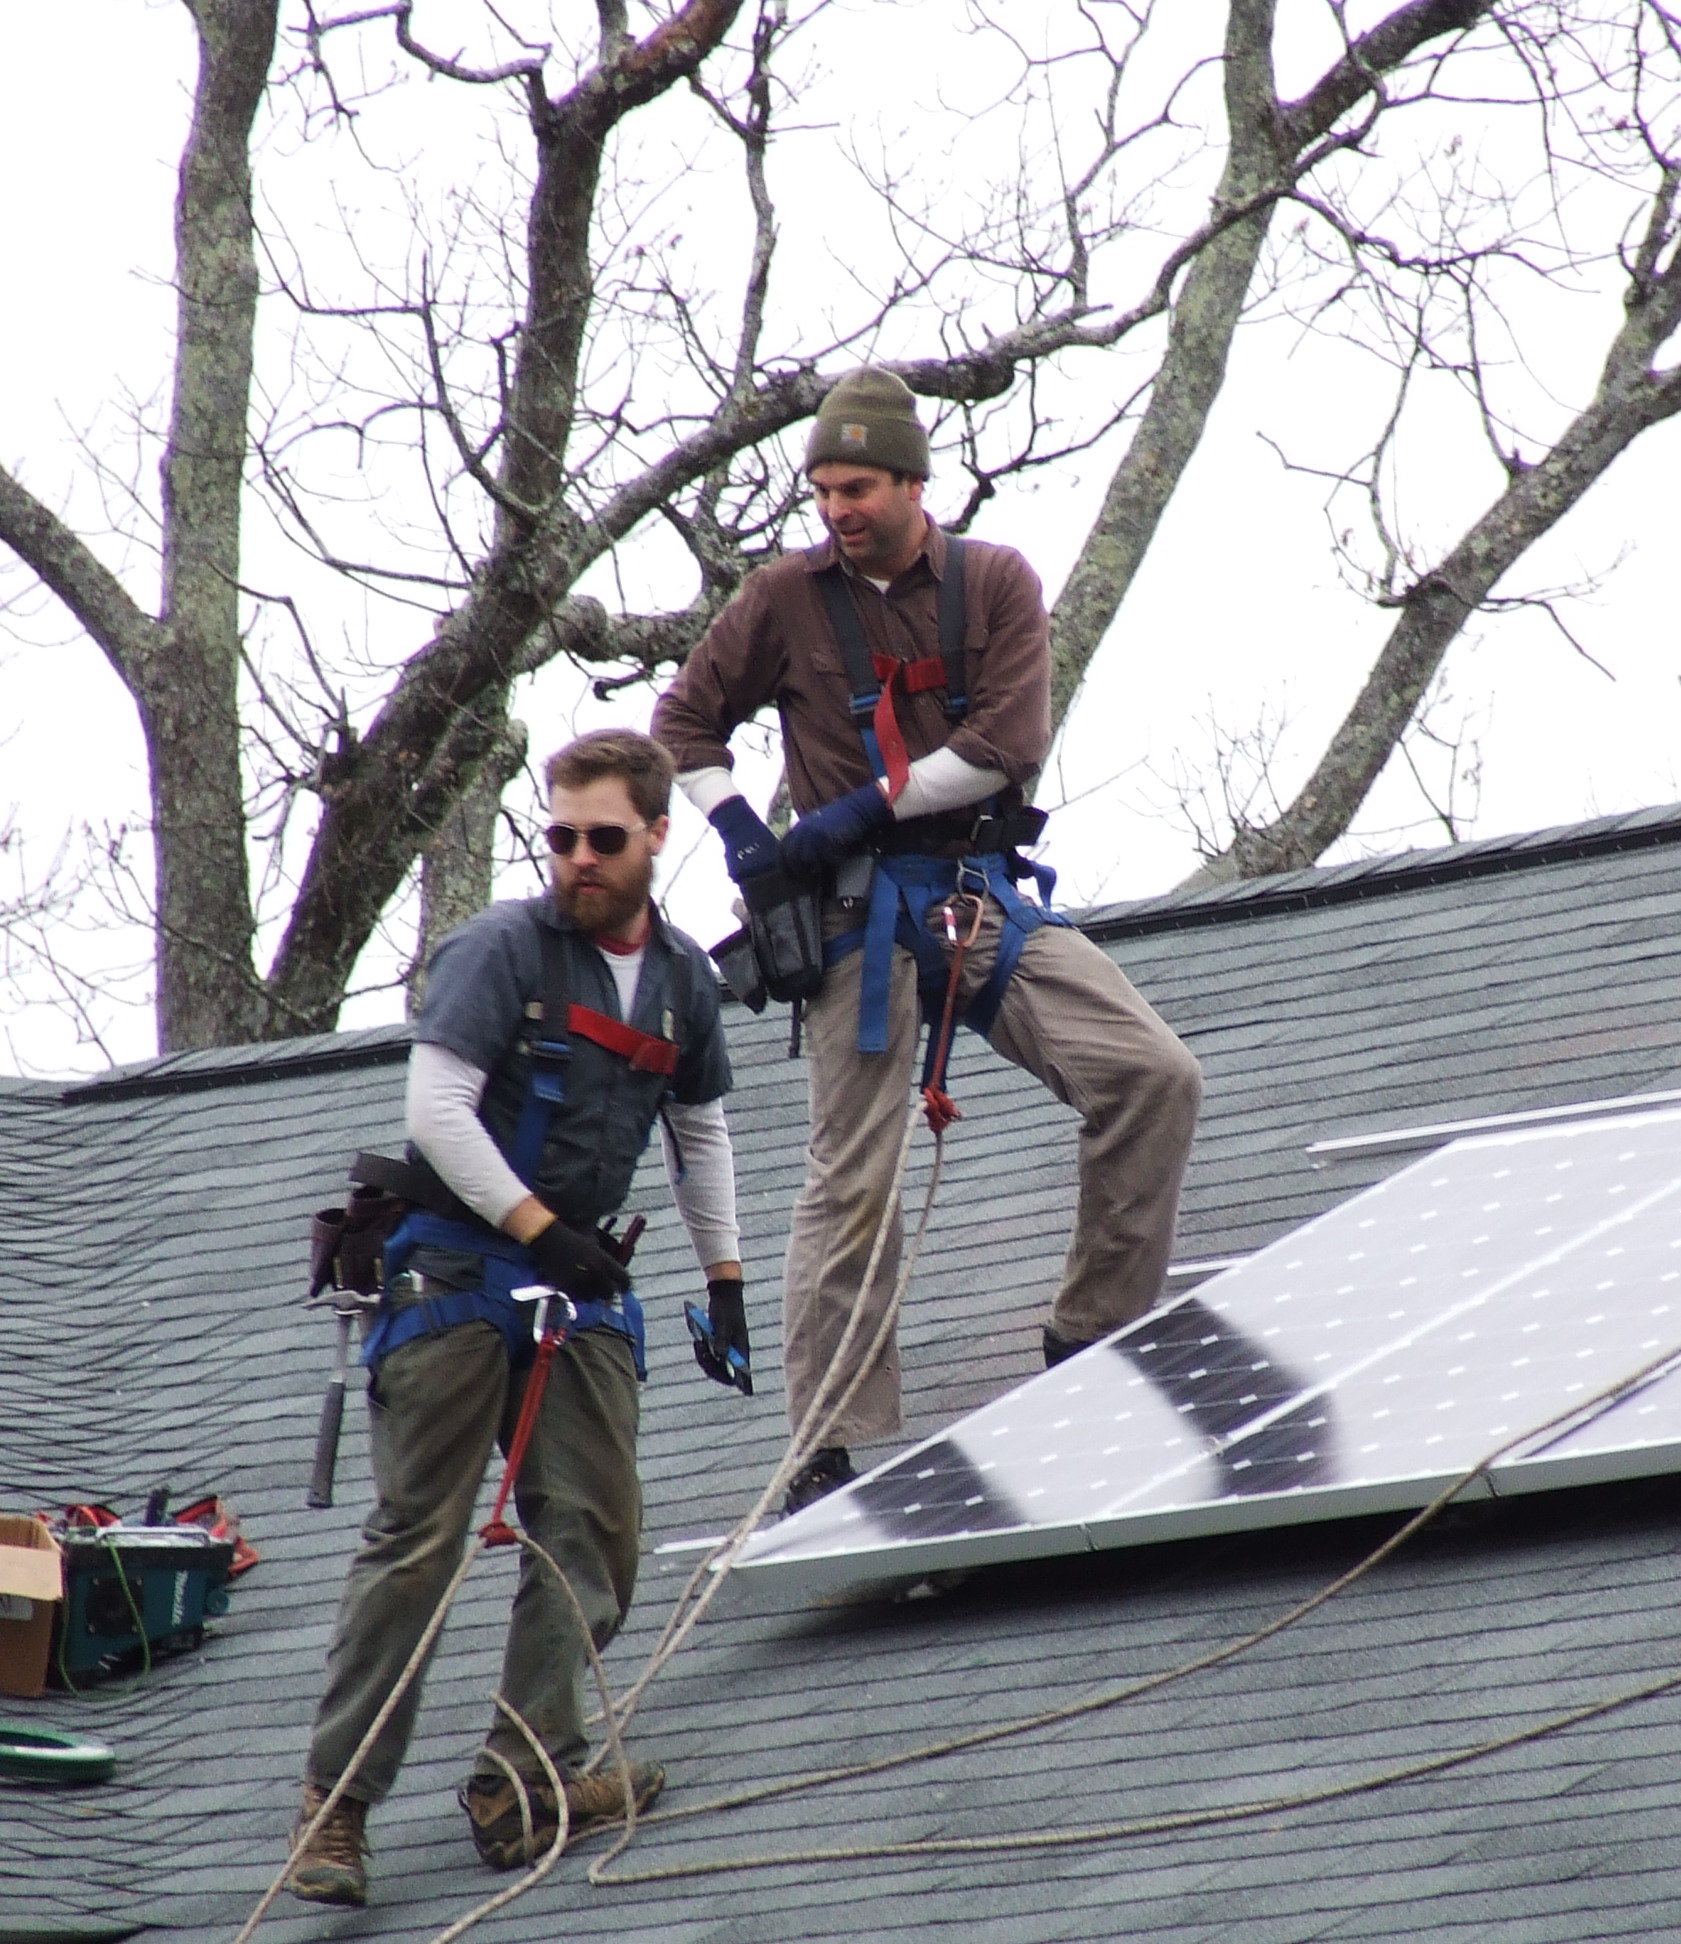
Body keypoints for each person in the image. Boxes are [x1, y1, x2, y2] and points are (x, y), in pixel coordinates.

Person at [652, 365, 1203, 1515]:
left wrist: (865, 806)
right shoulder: (784, 599)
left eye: (856, 487)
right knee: (853, 1172)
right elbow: (683, 725)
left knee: (1152, 1074)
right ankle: (827, 1443)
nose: (837, 509)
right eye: (823, 491)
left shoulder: (995, 583)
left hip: (973, 895)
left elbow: (1009, 740)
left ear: (913, 483)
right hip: (852, 918)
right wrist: (748, 830)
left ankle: (1091, 1333)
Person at [286, 728, 752, 1909]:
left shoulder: (688, 980)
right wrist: (544, 1231)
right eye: (560, 837)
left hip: (579, 1282)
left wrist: (728, 1279)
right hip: (455, 1263)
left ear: (657, 836)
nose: (579, 858)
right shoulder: (502, 948)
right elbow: (438, 1111)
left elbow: (699, 1135)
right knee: (421, 1541)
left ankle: (524, 1779)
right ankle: (334, 1811)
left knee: (594, 1528)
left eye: (605, 838)